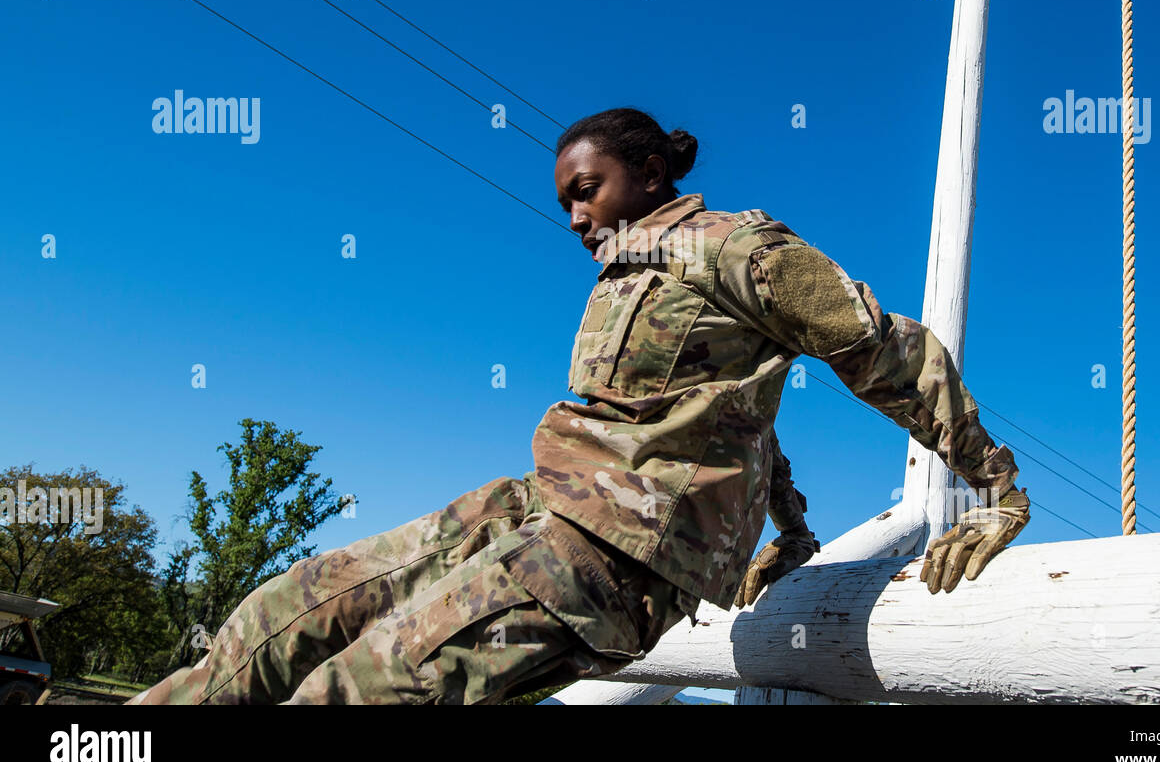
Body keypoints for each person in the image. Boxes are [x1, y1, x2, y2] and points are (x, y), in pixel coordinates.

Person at [127, 107, 1029, 705]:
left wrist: (997, 486)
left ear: (646, 169)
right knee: (285, 614)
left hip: (614, 556)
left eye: (585, 190)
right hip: (541, 504)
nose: (572, 218)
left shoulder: (739, 249)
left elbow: (887, 350)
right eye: (563, 201)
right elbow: (742, 419)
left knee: (368, 687)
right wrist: (791, 533)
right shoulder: (630, 275)